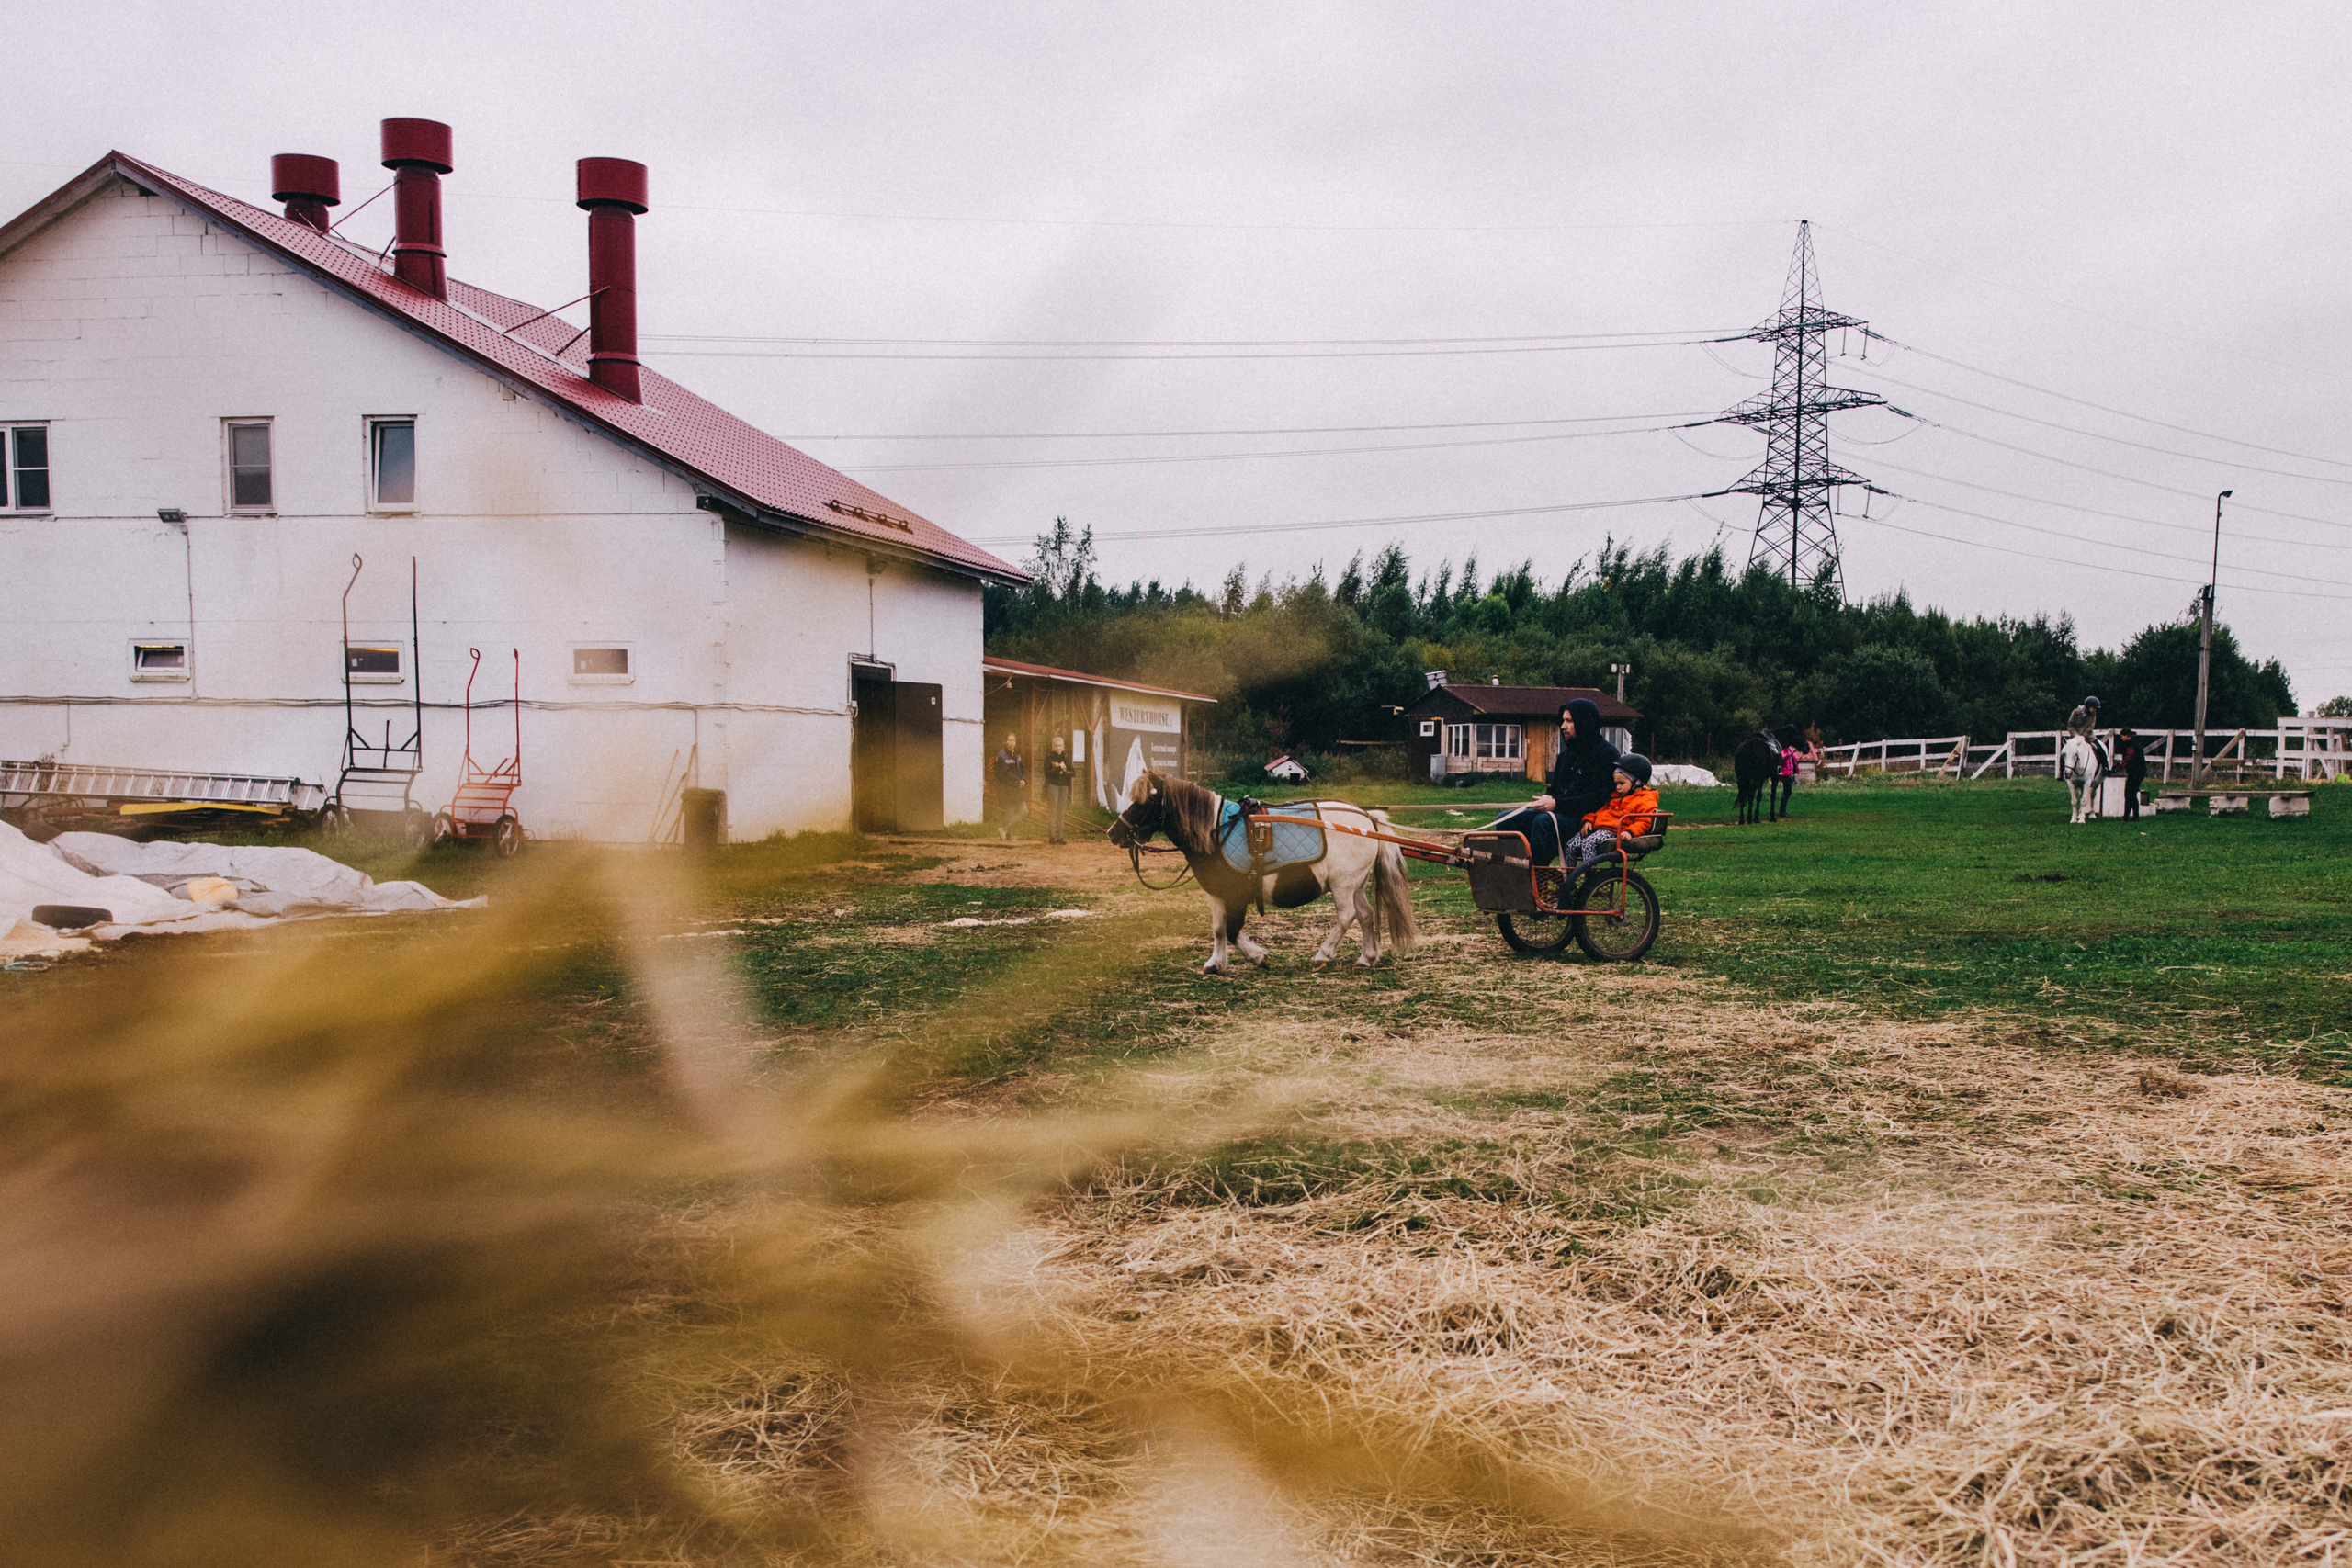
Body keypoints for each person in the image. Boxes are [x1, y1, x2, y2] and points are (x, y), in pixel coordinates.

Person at [1488, 696, 1622, 865]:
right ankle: (1515, 871)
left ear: (1584, 723)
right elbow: (1555, 789)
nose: (1563, 726)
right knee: (1506, 819)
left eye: (1569, 721)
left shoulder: (1606, 755)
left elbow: (1597, 799)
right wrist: (1546, 799)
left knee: (1543, 821)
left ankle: (1537, 874)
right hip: (1560, 813)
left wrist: (1556, 804)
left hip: (1588, 819)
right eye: (1563, 721)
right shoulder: (1566, 755)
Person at [1561, 753, 1659, 888]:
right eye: (1616, 783)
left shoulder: (1645, 799)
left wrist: (1631, 831)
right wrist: (1588, 820)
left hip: (1614, 831)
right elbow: (1601, 811)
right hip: (1598, 829)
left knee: (1588, 844)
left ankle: (1591, 884)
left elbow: (1645, 820)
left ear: (1638, 782)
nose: (1617, 787)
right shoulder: (1615, 797)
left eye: (1621, 783)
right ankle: (1569, 884)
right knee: (1571, 846)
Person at [990, 732, 1028, 840]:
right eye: (1010, 740)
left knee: (1023, 811)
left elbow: (1023, 770)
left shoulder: (1017, 755)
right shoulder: (1002, 755)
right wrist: (1018, 781)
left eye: (1014, 740)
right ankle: (1008, 837)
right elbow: (1004, 774)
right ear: (1005, 742)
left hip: (1018, 787)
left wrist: (1024, 780)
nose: (1012, 743)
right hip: (1007, 789)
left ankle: (1005, 831)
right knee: (1011, 811)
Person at [1042, 735, 1074, 844]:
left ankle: (1060, 837)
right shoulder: (1049, 757)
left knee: (1061, 812)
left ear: (1063, 746)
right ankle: (1052, 837)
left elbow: (1073, 772)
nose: (1058, 748)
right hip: (1053, 785)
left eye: (1060, 746)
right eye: (1056, 746)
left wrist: (1063, 770)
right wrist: (1060, 768)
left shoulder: (1066, 757)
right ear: (1053, 747)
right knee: (1052, 811)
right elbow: (1047, 773)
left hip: (1064, 786)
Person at [2116, 728, 2151, 819]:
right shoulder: (2134, 743)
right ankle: (2134, 816)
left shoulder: (2132, 745)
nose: (2121, 738)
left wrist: (2117, 768)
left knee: (2129, 794)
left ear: (2128, 736)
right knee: (2131, 794)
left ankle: (2127, 816)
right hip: (2137, 772)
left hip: (2136, 772)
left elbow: (2128, 759)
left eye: (2122, 736)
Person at [2067, 695, 2107, 771]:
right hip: (2075, 736)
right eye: (2094, 708)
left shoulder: (2093, 714)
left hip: (2089, 735)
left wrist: (2083, 736)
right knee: (2065, 751)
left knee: (2100, 749)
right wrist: (2076, 736)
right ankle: (2061, 771)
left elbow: (2091, 726)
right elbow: (2070, 725)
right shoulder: (2076, 712)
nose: (2095, 710)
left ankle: (2105, 768)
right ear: (2088, 706)